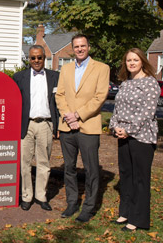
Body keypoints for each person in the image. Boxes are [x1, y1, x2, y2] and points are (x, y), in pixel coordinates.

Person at [55, 34, 110, 223]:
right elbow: (59, 95)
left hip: (88, 126)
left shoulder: (102, 68)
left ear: (88, 46)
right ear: (73, 48)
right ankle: (72, 203)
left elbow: (100, 96)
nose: (80, 49)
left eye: (83, 45)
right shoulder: (66, 69)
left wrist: (78, 115)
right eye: (76, 46)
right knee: (69, 168)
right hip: (67, 127)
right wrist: (69, 117)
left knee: (91, 169)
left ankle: (89, 207)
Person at [109, 48, 159, 231]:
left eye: (135, 60)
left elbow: (146, 113)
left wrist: (128, 130)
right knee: (126, 175)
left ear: (142, 62)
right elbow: (116, 108)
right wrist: (115, 127)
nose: (131, 63)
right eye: (129, 60)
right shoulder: (125, 83)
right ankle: (125, 213)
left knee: (140, 178)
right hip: (122, 135)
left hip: (142, 136)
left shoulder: (150, 83)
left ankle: (138, 220)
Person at [13, 45, 59, 211]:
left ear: (44, 57)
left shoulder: (55, 77)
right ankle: (26, 196)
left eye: (39, 57)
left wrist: (57, 125)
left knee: (44, 162)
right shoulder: (19, 77)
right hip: (26, 124)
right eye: (33, 58)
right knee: (24, 162)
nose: (36, 60)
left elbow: (58, 103)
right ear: (29, 59)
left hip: (46, 124)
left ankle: (41, 195)